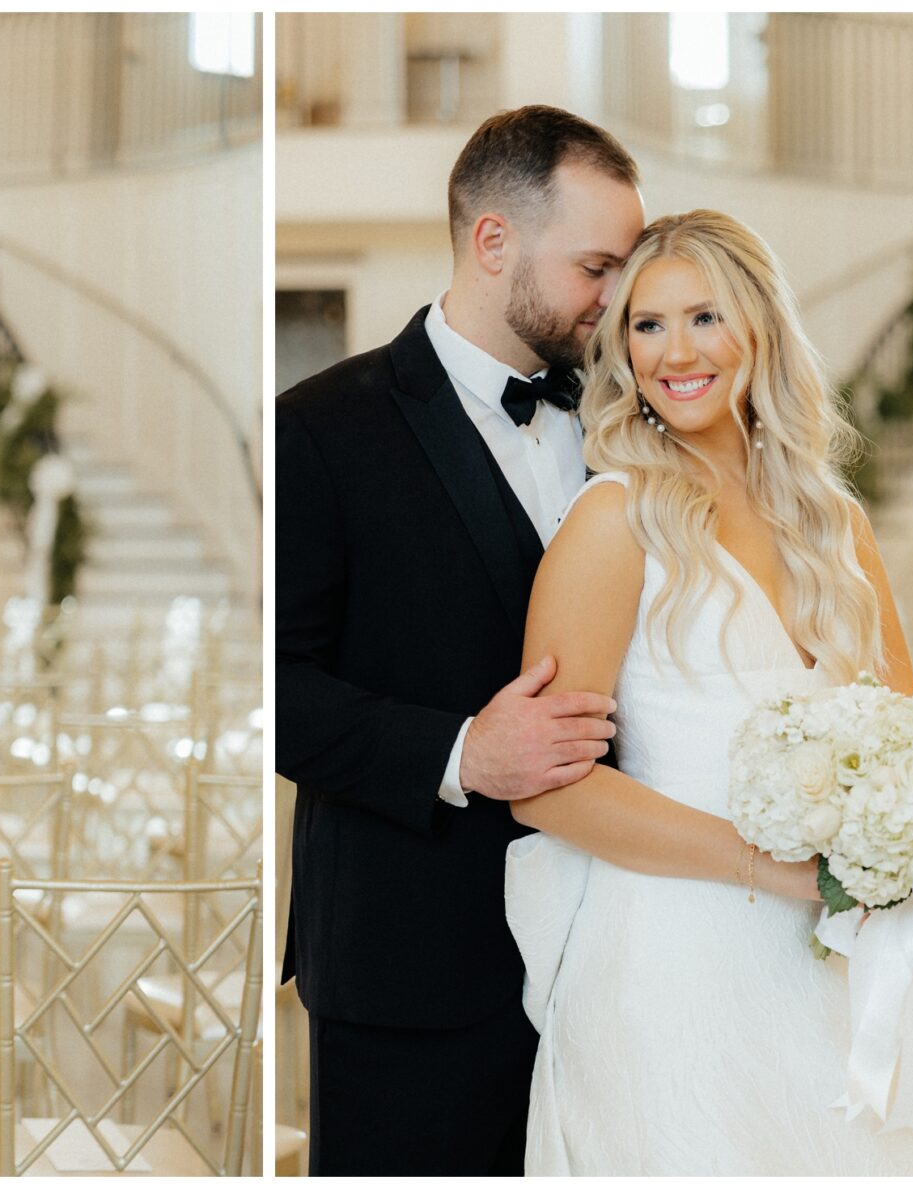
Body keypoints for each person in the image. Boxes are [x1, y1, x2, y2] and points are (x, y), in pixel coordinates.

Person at [502, 209, 913, 1174]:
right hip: (673, 969)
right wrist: (769, 869)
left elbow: (912, 743)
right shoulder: (612, 520)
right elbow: (547, 782)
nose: (677, 351)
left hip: (830, 966)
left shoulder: (833, 522)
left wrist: (899, 857)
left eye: (705, 317)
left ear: (759, 327)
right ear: (622, 351)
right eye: (647, 324)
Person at [273, 105, 644, 1174]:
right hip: (413, 967)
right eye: (594, 265)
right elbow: (279, 687)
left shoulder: (627, 421)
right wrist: (458, 753)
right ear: (493, 242)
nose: (614, 298)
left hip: (608, 956)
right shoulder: (322, 429)